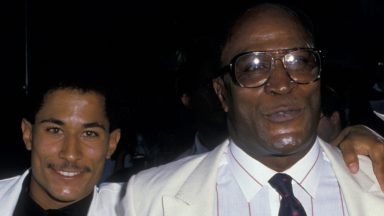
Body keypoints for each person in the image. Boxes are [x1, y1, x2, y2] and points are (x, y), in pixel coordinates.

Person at [121, 3, 384, 215]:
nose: (281, 84)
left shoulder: (376, 181)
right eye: (254, 67)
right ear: (222, 94)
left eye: (298, 61)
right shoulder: (147, 199)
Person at [0, 75, 123, 215]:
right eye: (54, 130)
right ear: (28, 135)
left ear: (111, 143)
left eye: (89, 134)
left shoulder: (136, 207)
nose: (70, 154)